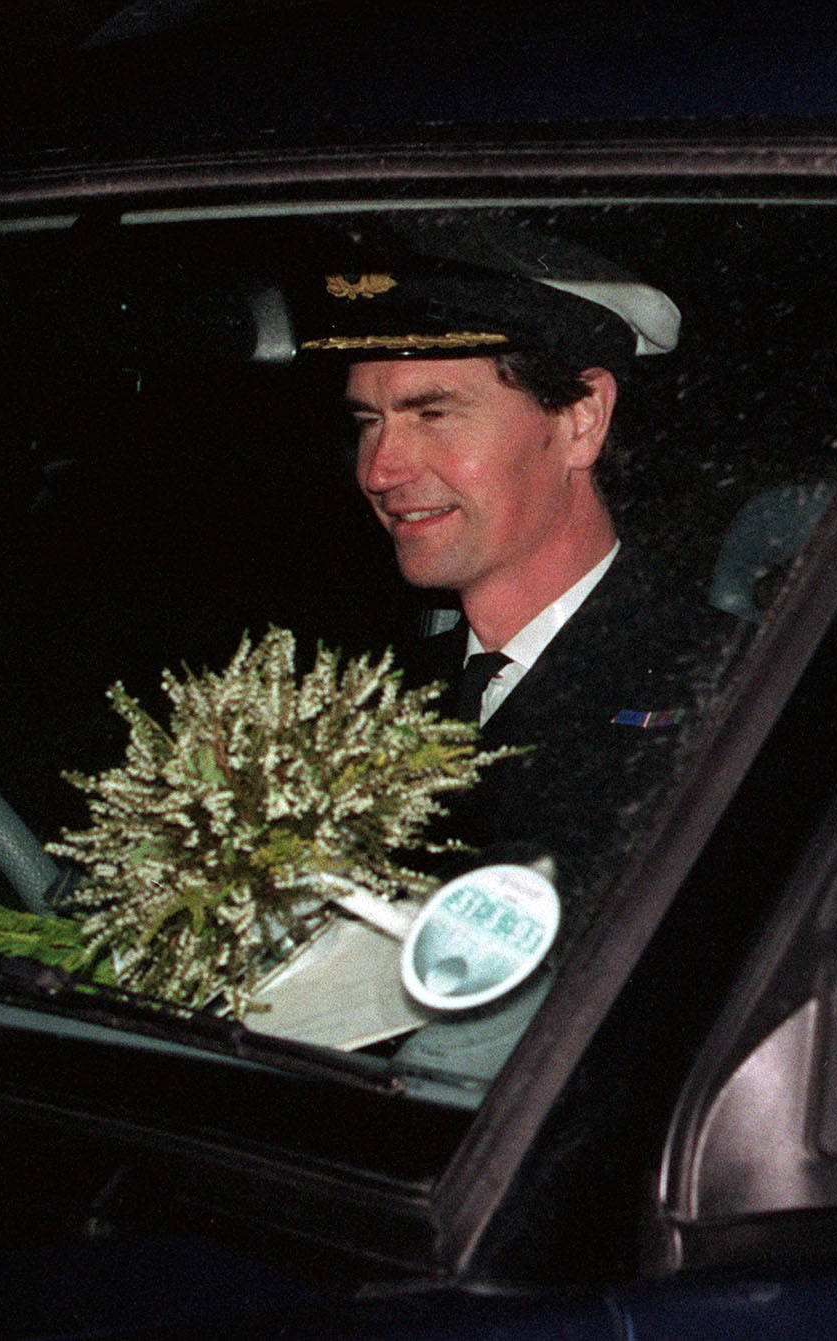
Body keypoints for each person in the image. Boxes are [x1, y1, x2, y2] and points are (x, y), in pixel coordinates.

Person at [300, 235, 735, 924]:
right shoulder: (368, 700)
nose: (380, 470)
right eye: (368, 422)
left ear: (580, 418)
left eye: (432, 414)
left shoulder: (730, 689)